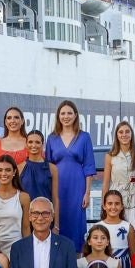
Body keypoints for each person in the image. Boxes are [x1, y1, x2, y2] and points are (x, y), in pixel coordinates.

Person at [46, 101, 94, 245]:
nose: (66, 116)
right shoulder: (51, 138)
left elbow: (89, 166)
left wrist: (87, 192)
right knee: (58, 220)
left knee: (76, 224)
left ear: (75, 115)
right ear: (58, 116)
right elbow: (48, 165)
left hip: (77, 188)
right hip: (57, 187)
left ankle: (77, 263)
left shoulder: (84, 137)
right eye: (63, 113)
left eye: (69, 113)